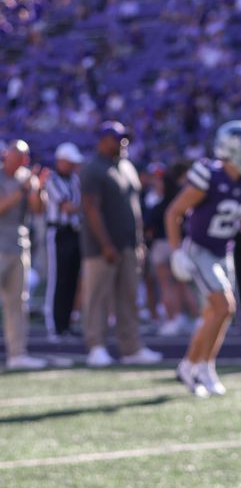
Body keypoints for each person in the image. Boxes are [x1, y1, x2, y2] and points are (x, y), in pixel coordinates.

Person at [165, 120, 241, 397]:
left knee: (216, 313)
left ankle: (197, 365)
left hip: (224, 251)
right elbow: (173, 212)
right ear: (232, 150)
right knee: (224, 307)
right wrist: (176, 251)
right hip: (199, 250)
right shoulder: (209, 175)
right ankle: (199, 366)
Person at [79, 121, 163, 368]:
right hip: (101, 248)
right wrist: (105, 243)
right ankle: (96, 347)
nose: (123, 144)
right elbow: (91, 209)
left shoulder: (126, 166)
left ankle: (131, 347)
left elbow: (133, 208)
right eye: (118, 139)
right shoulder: (93, 169)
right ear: (103, 141)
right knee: (98, 298)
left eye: (125, 139)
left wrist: (138, 242)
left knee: (128, 298)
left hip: (129, 244)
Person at [0, 139, 49, 370]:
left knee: (18, 303)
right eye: (19, 156)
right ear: (7, 156)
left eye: (25, 156)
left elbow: (38, 211)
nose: (23, 161)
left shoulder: (26, 178)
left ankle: (17, 353)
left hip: (19, 246)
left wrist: (37, 190)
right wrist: (22, 191)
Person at [143, 161, 196, 336]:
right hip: (180, 245)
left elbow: (148, 227)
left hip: (162, 245)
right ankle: (196, 318)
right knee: (183, 284)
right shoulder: (182, 202)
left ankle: (175, 319)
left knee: (167, 286)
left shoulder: (159, 206)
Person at [43, 142, 83, 340]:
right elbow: (68, 206)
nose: (73, 166)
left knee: (72, 280)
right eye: (70, 162)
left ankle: (66, 324)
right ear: (61, 161)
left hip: (75, 233)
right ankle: (54, 326)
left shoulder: (75, 179)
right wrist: (87, 207)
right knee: (57, 280)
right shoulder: (52, 179)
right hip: (58, 233)